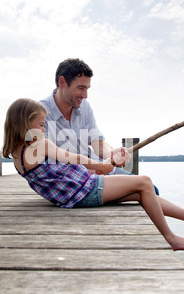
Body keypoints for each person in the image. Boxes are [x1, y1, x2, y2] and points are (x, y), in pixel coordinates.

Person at [1, 98, 184, 251]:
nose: (43, 129)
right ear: (25, 122)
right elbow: (70, 157)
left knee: (142, 194)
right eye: (40, 124)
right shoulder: (40, 144)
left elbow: (55, 172)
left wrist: (100, 165)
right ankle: (170, 238)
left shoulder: (17, 153)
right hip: (83, 191)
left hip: (73, 191)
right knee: (144, 182)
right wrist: (102, 167)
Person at [39, 58, 160, 195]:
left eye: (87, 89)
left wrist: (112, 155)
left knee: (152, 190)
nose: (85, 95)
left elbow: (97, 143)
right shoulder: (39, 112)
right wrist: (92, 167)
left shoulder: (84, 106)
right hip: (72, 180)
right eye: (81, 88)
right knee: (142, 191)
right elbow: (46, 160)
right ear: (62, 82)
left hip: (100, 171)